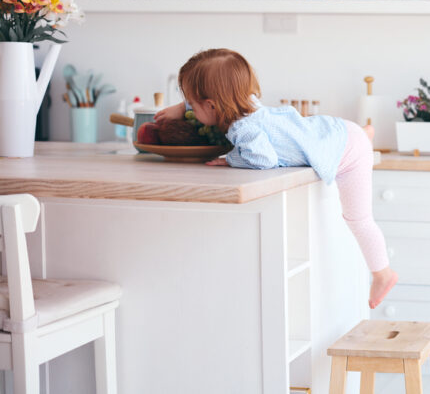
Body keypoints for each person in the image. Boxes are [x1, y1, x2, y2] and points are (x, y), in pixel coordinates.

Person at [155, 48, 398, 309]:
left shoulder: (242, 128)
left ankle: (382, 274)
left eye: (191, 101)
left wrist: (231, 159)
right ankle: (363, 134)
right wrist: (182, 108)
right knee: (323, 132)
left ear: (211, 105)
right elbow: (220, 98)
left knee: (358, 219)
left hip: (348, 153)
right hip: (338, 130)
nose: (189, 107)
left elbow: (263, 159)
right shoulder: (250, 105)